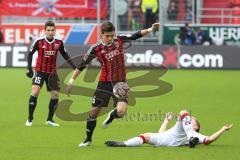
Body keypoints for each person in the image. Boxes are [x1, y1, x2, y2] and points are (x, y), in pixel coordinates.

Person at [66, 21, 160, 147]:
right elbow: (82, 65)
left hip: (120, 81)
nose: (111, 38)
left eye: (112, 35)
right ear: (102, 35)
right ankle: (88, 139)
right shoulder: (95, 48)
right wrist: (71, 81)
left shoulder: (119, 39)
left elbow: (135, 35)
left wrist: (150, 29)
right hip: (104, 83)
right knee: (94, 112)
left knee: (121, 111)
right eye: (108, 36)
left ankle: (111, 116)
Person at [25, 20, 76, 127]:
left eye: (52, 30)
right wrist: (29, 69)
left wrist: (74, 67)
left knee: (55, 95)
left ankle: (49, 119)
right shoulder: (38, 42)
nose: (50, 32)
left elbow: (65, 55)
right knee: (35, 91)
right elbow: (30, 54)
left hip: (52, 73)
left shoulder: (59, 42)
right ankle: (30, 118)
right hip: (39, 71)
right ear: (44, 31)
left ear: (55, 31)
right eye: (48, 30)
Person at [105, 110, 233, 147]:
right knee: (145, 136)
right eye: (190, 119)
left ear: (196, 126)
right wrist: (167, 120)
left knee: (184, 112)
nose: (190, 119)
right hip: (164, 139)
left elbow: (209, 140)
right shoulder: (193, 134)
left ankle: (126, 144)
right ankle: (124, 143)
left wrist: (222, 129)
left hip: (172, 140)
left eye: (192, 120)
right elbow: (161, 133)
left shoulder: (197, 134)